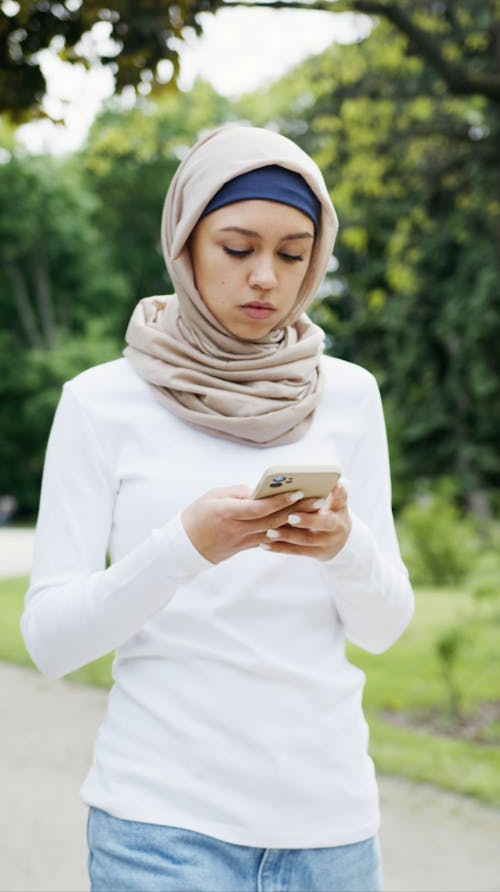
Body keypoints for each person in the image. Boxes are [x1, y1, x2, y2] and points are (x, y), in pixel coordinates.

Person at [21, 124, 414, 892]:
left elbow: (384, 627)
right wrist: (184, 548)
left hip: (329, 834)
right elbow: (49, 643)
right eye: (237, 248)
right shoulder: (101, 403)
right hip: (159, 831)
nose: (266, 277)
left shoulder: (350, 395)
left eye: (294, 253)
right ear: (186, 244)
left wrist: (343, 546)